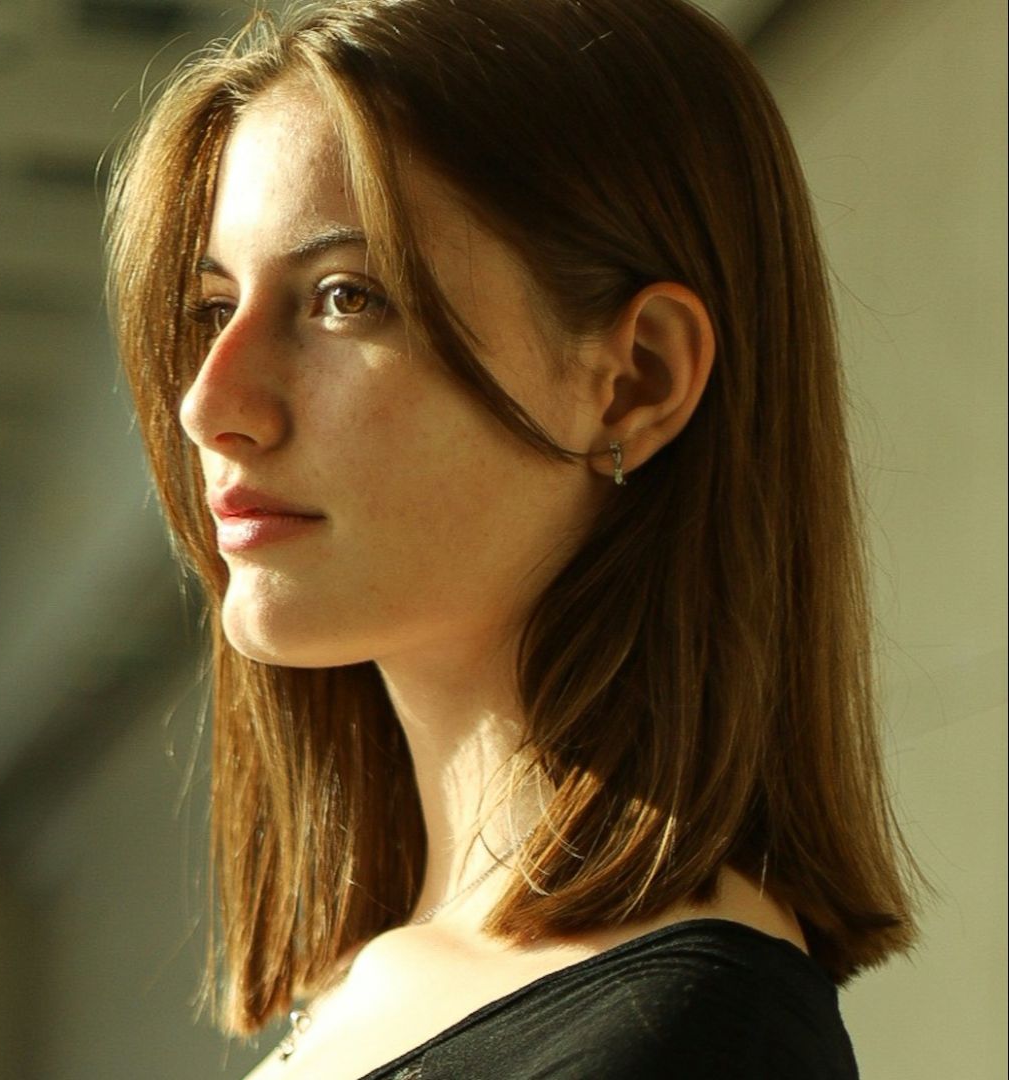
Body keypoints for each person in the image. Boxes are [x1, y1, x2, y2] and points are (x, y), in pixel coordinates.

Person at [102, 1, 921, 1076]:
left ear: (636, 381)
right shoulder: (381, 979)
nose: (211, 403)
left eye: (345, 298)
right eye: (214, 308)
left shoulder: (692, 1047)